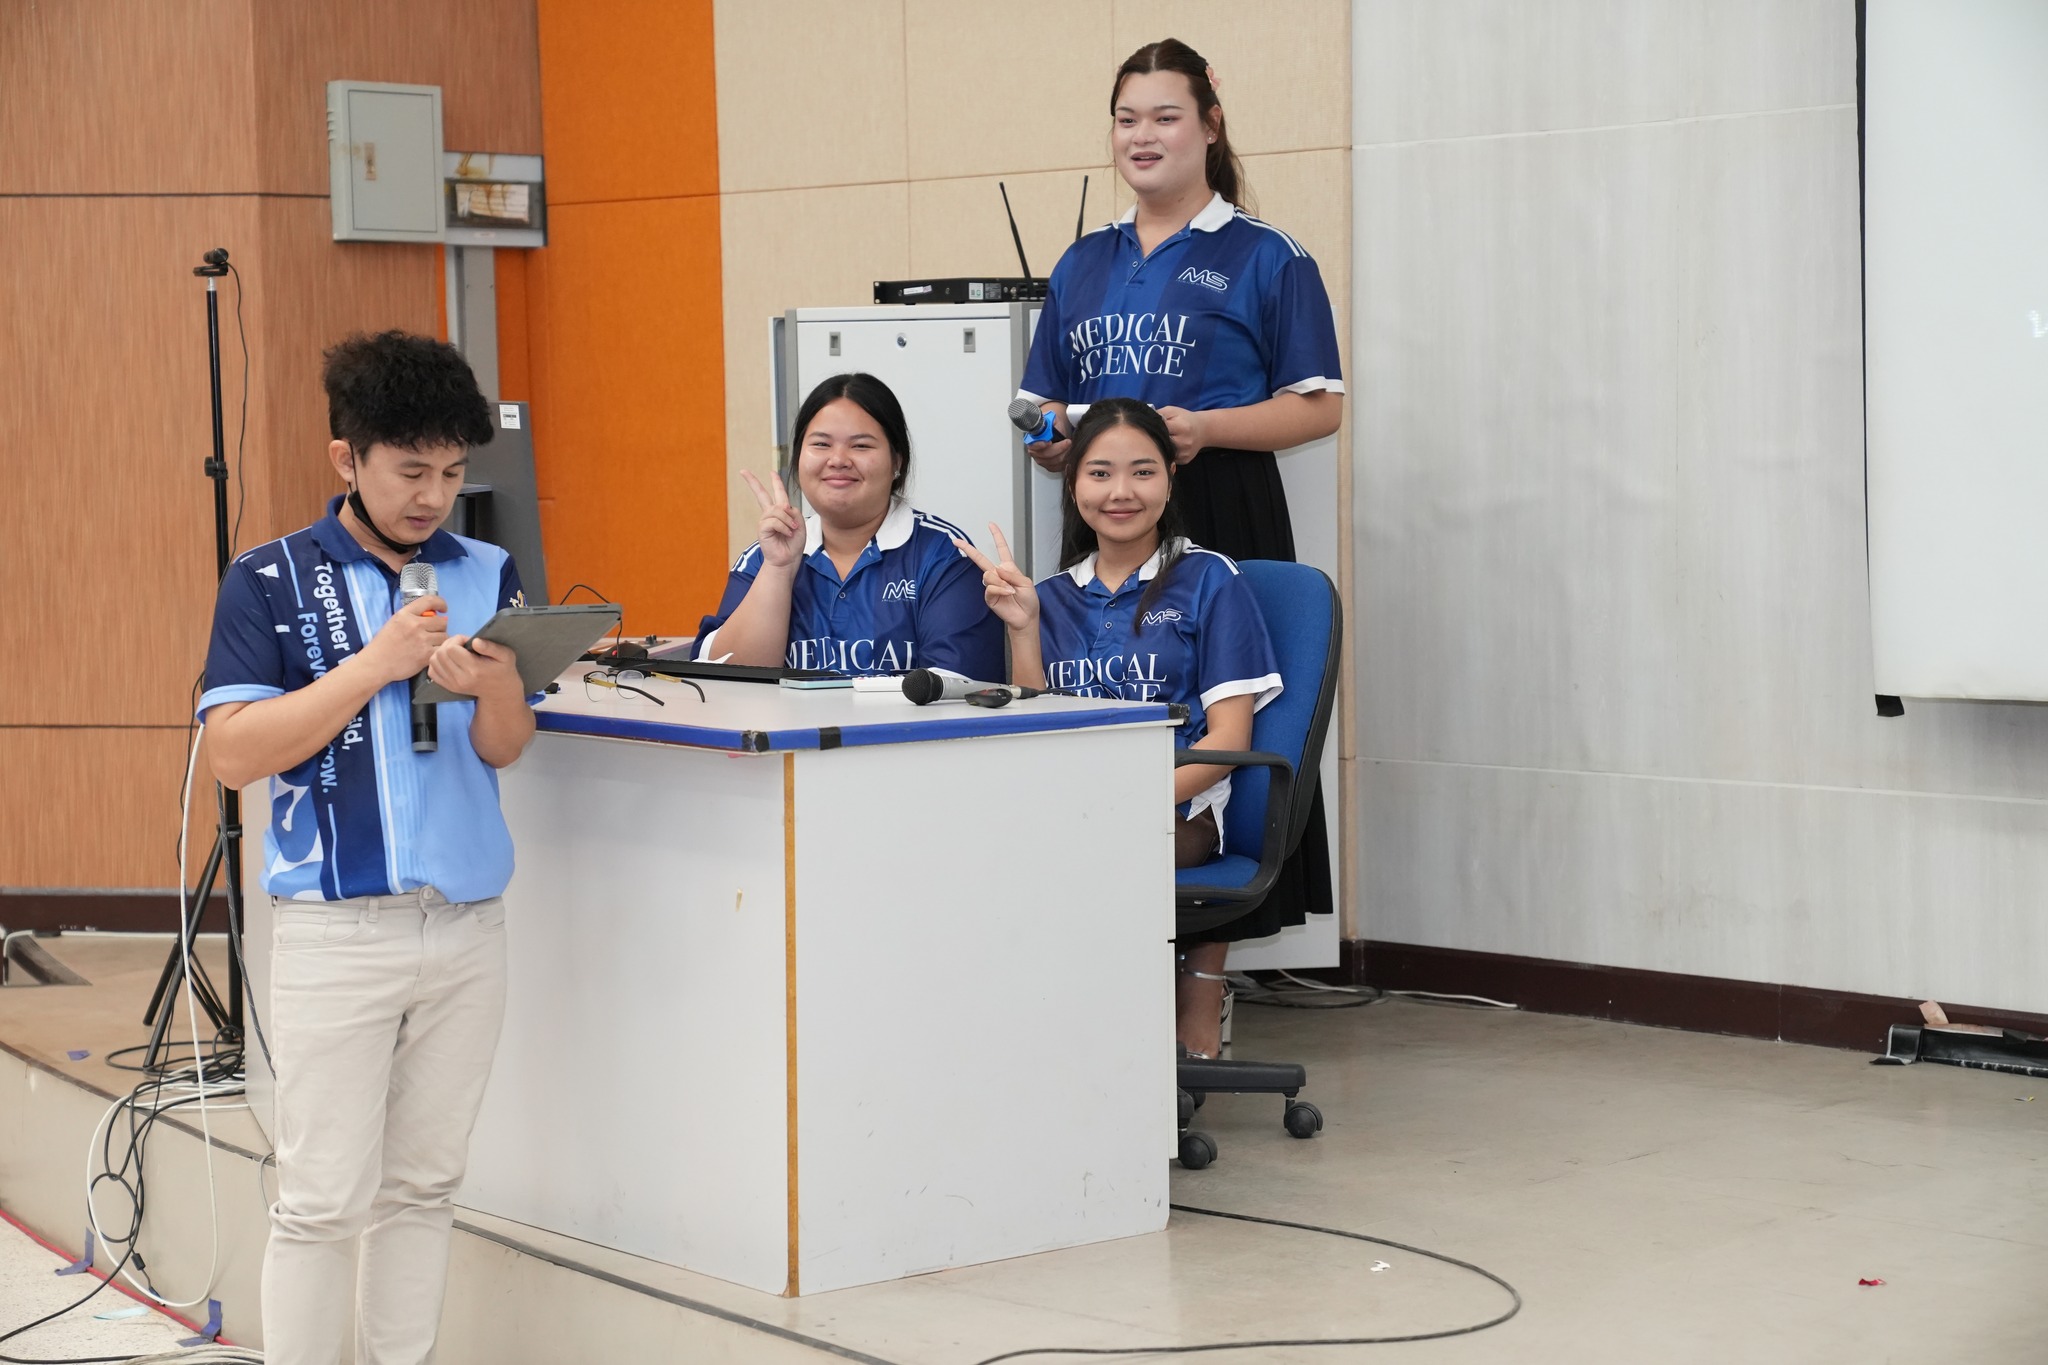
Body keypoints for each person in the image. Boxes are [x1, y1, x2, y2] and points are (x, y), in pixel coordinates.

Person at [198, 331, 533, 1365]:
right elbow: (232, 754)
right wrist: (374, 665)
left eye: (453, 473)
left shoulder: (488, 570)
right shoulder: (267, 579)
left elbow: (505, 748)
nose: (434, 497)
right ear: (347, 457)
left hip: (466, 925)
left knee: (424, 1186)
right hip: (337, 931)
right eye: (410, 471)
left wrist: (497, 685)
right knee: (321, 1199)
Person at [1016, 36, 1342, 948]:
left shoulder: (1268, 255)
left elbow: (1319, 407)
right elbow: (1040, 405)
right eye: (1127, 120)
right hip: (1102, 526)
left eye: (1165, 116)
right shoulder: (1083, 261)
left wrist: (1206, 429)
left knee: (1221, 724)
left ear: (1210, 125)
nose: (1143, 136)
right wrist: (1053, 442)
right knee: (1097, 702)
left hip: (1221, 504)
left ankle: (1205, 972)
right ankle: (1104, 955)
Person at [958, 399, 1281, 1058]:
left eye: (1142, 471)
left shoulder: (1209, 579)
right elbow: (1039, 731)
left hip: (1176, 811)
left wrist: (1129, 800)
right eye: (1101, 473)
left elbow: (1228, 741)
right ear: (1074, 482)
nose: (1121, 492)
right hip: (1068, 808)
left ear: (1170, 477)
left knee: (1068, 860)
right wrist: (1023, 629)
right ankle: (1021, 1037)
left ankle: (1123, 1031)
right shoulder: (1050, 595)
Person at [696, 372, 1004, 679]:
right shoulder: (763, 558)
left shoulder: (945, 556)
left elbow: (958, 689)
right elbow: (726, 684)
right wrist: (779, 569)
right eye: (821, 444)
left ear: (897, 461)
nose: (838, 460)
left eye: (861, 446)